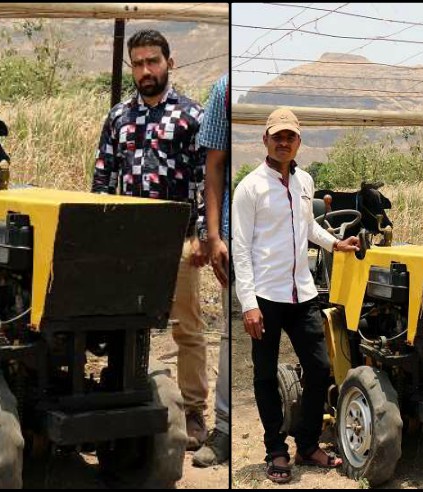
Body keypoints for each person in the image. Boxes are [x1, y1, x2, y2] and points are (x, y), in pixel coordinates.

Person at [90, 29, 210, 450]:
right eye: (138, 63)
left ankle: (194, 413)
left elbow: (204, 181)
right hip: (128, 241)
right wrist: (100, 235)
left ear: (169, 63)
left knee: (186, 327)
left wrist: (203, 237)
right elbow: (102, 179)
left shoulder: (193, 116)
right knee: (124, 323)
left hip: (176, 240)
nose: (145, 70)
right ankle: (124, 400)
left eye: (152, 61)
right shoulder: (118, 116)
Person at [232, 108, 359, 484]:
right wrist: (249, 304)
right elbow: (241, 248)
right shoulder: (250, 187)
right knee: (265, 375)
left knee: (320, 368)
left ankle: (306, 444)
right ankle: (276, 450)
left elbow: (308, 228)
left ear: (298, 141)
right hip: (266, 296)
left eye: (290, 136)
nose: (283, 142)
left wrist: (336, 244)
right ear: (265, 141)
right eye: (277, 136)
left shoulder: (305, 180)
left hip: (302, 292)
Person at [192, 74, 231, 468]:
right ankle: (223, 430)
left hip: (280, 242)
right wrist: (215, 235)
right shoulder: (224, 89)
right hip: (237, 237)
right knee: (229, 333)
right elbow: (214, 166)